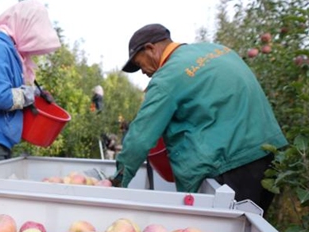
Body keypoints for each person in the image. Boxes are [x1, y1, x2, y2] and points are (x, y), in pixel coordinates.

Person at [113, 23, 287, 213]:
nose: (144, 73)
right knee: (252, 231)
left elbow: (141, 135)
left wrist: (118, 179)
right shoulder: (218, 50)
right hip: (269, 154)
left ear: (150, 48)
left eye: (140, 64)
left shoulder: (167, 76)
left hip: (232, 165)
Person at [0, 0, 61, 166]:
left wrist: (36, 93)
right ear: (24, 28)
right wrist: (29, 95)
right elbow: (0, 97)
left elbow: (10, 88)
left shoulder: (12, 53)